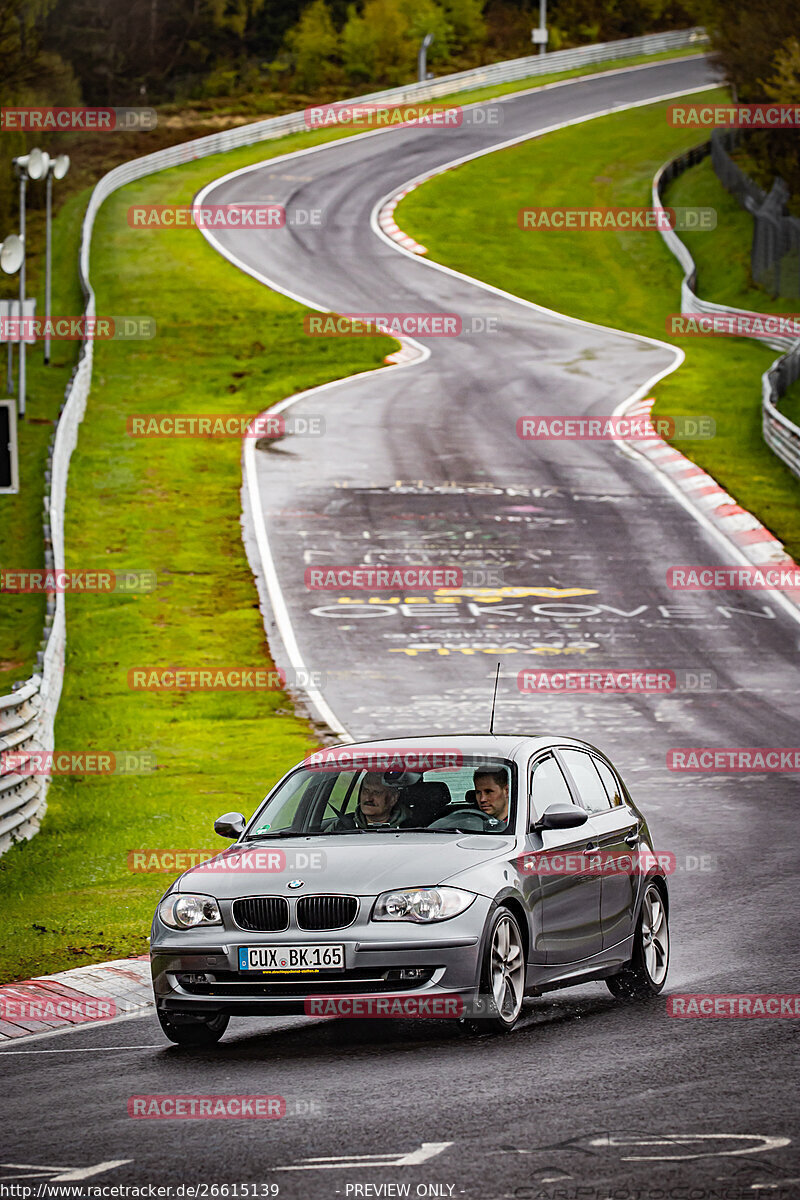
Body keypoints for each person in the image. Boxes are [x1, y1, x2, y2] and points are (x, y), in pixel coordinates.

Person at [329, 771, 410, 830]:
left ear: (393, 798)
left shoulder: (413, 828)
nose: (368, 798)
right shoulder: (340, 827)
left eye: (377, 792)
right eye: (366, 791)